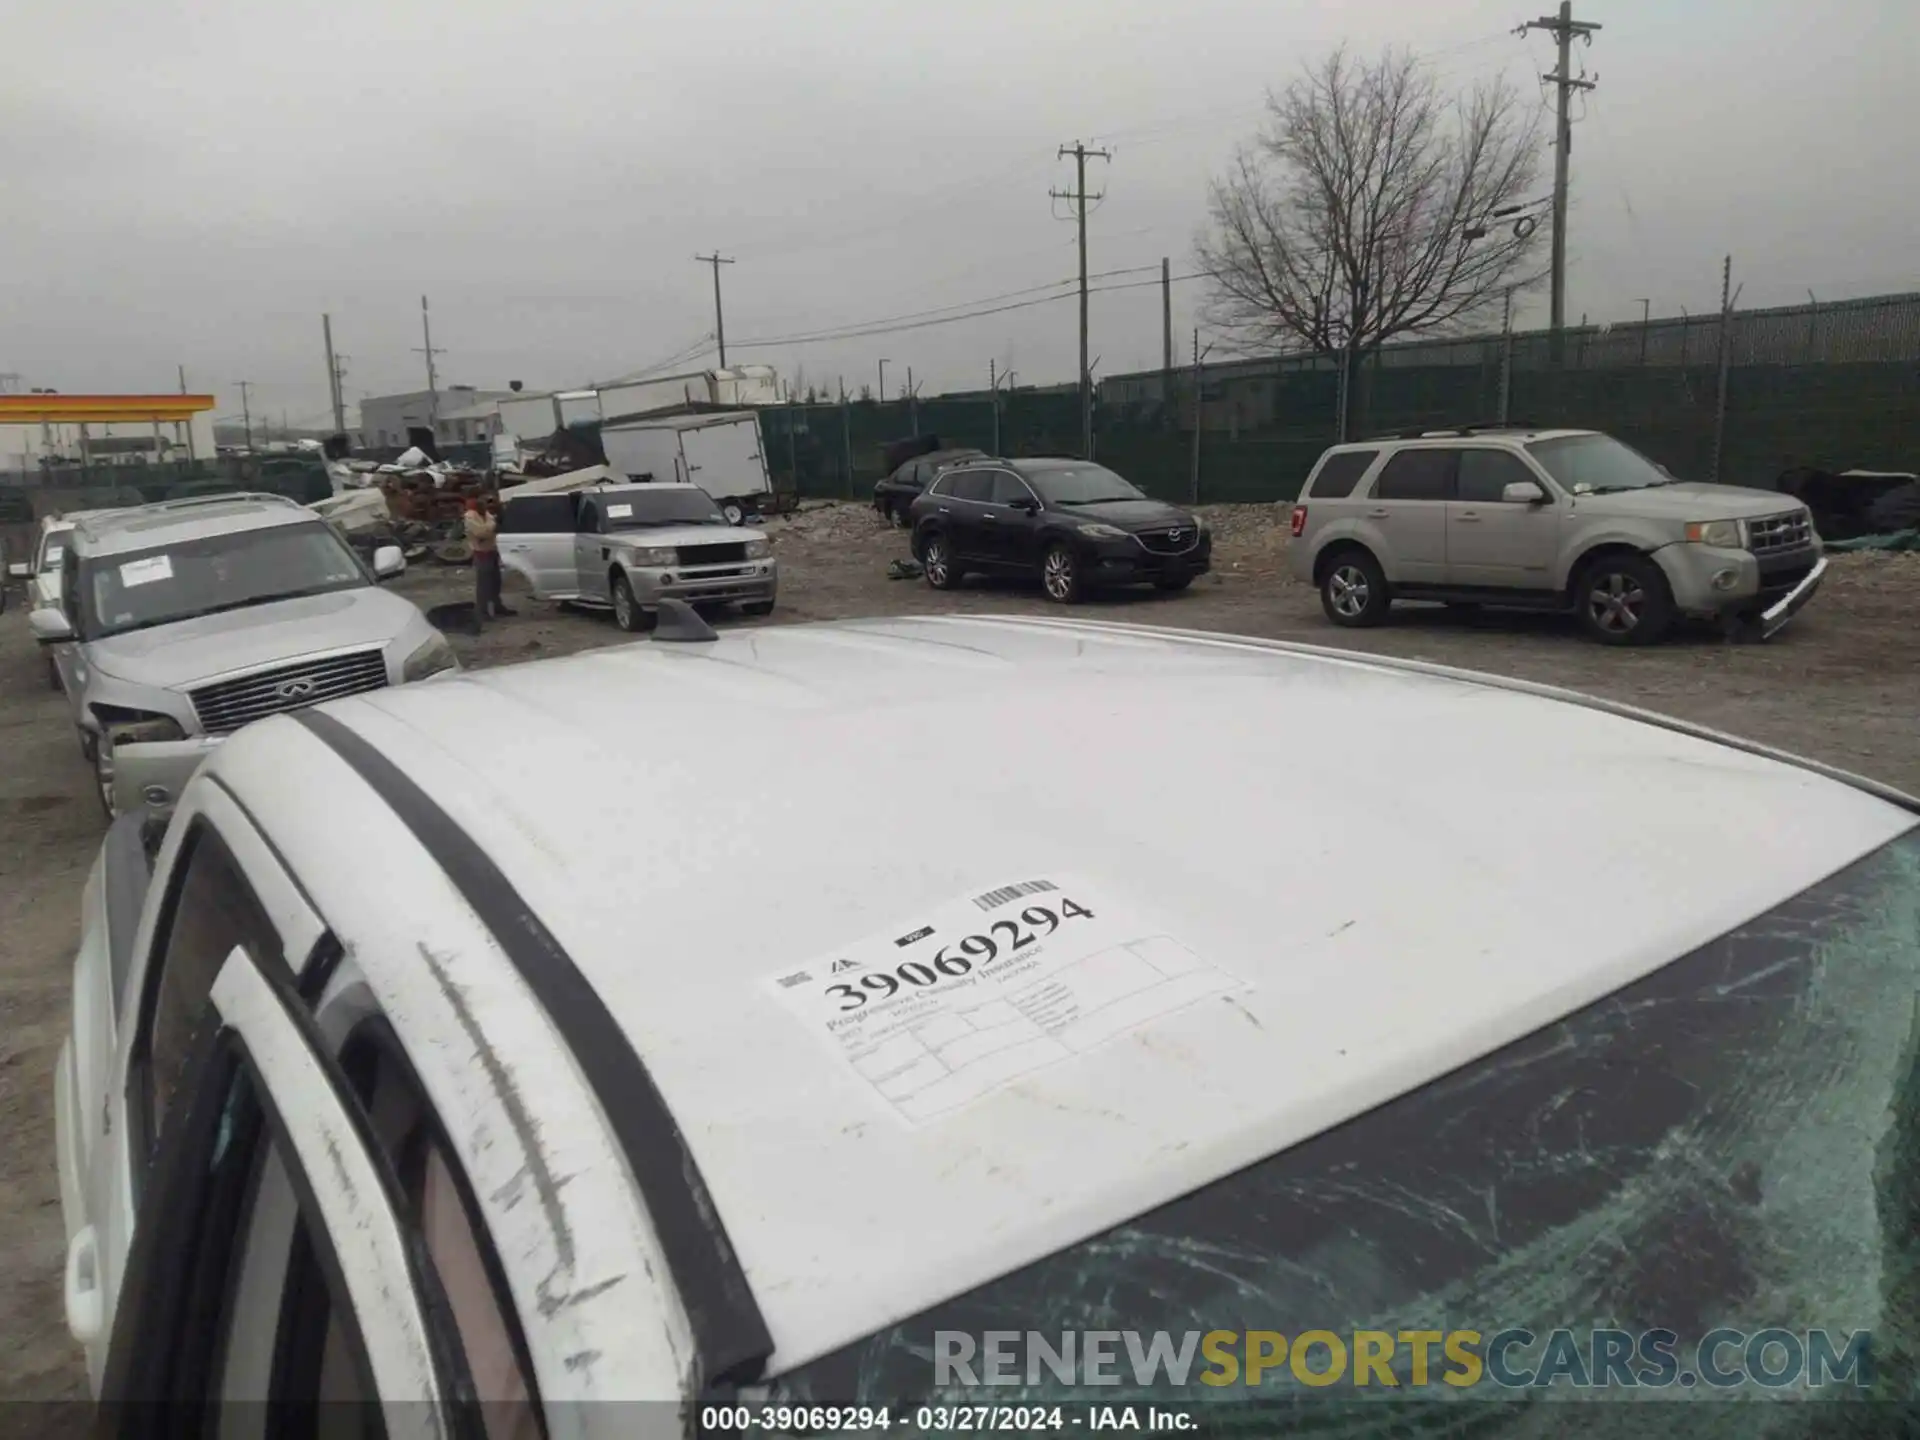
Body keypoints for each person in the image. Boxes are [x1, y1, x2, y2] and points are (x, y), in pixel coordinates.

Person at [464, 495, 514, 621]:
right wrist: (492, 525)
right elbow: (481, 532)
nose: (487, 505)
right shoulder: (470, 516)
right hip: (481, 552)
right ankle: (483, 611)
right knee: (484, 585)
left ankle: (497, 606)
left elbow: (490, 530)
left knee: (495, 582)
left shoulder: (486, 514)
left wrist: (491, 527)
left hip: (491, 550)